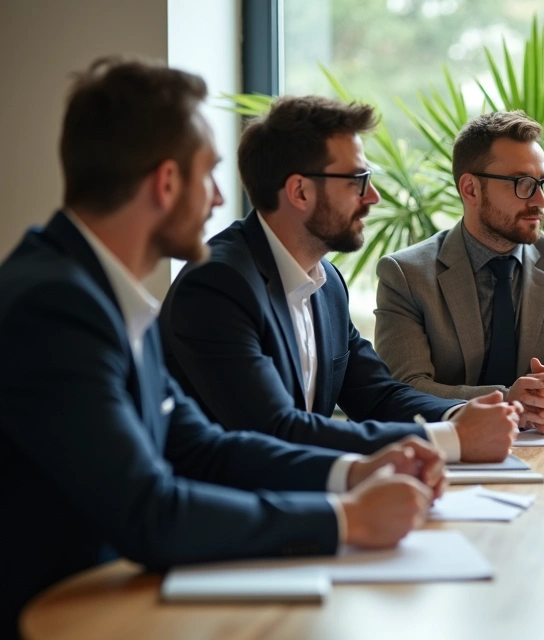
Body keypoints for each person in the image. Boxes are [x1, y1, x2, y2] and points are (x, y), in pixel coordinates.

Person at [0, 58, 447, 639]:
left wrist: (354, 472)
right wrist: (344, 520)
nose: (217, 198)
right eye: (208, 174)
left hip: (124, 598)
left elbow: (206, 450)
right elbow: (149, 512)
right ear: (165, 182)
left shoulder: (103, 294)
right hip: (62, 616)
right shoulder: (56, 306)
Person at [160, 96, 520, 463]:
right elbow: (276, 430)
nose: (374, 197)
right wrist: (450, 437)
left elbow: (376, 395)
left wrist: (459, 415)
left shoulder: (327, 281)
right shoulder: (217, 285)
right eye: (357, 180)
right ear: (300, 191)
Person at [375, 111, 544, 432]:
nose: (540, 200)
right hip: (446, 451)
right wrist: (508, 400)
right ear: (470, 189)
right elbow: (403, 389)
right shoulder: (407, 273)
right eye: (523, 183)